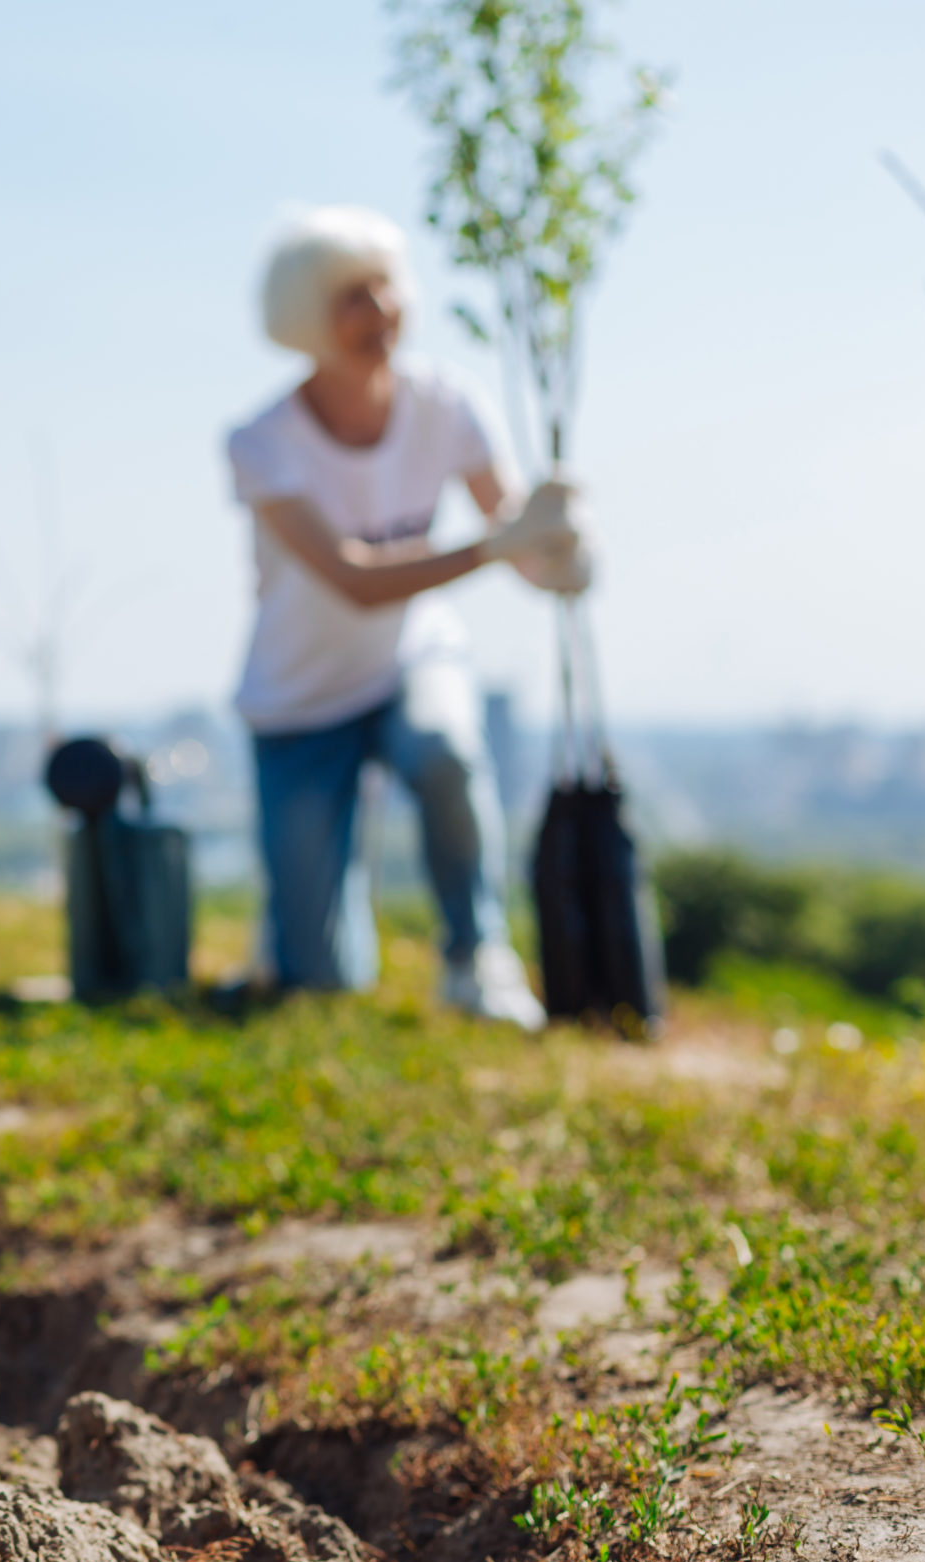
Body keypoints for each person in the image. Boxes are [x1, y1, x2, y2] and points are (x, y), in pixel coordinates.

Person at [228, 206, 586, 1029]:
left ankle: (475, 957)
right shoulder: (263, 443)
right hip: (299, 697)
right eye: (351, 296)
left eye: (384, 287)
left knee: (446, 754)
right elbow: (354, 580)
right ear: (305, 316)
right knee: (320, 982)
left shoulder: (446, 403)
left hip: (409, 661)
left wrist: (564, 554)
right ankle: (298, 921)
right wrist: (503, 546)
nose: (378, 311)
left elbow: (520, 538)